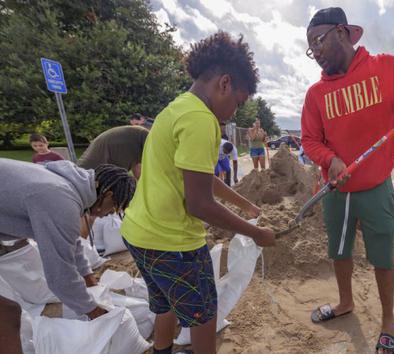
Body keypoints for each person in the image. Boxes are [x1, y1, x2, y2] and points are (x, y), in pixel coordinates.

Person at [120, 31, 276, 354]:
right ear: (224, 83)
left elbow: (199, 177)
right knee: (204, 314)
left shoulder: (177, 109)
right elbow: (199, 203)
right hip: (173, 244)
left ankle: (162, 350)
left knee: (164, 306)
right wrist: (256, 232)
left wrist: (243, 202)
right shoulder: (202, 121)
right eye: (238, 101)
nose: (234, 111)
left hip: (139, 236)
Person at [301, 7, 394, 353]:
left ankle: (388, 320)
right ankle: (345, 302)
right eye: (310, 48)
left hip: (376, 188)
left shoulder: (384, 69)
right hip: (337, 190)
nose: (315, 52)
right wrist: (330, 159)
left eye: (318, 41)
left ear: (343, 33)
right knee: (339, 251)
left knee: (382, 257)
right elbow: (309, 141)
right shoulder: (316, 95)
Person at [0, 159, 136, 320]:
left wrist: (90, 280)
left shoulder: (69, 186)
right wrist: (95, 312)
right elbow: (60, 275)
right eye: (113, 207)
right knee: (9, 314)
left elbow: (71, 241)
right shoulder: (60, 200)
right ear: (108, 194)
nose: (108, 214)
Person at [77, 125, 149, 179]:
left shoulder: (139, 137)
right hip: (88, 175)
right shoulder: (136, 142)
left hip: (85, 173)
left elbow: (137, 168)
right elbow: (121, 178)